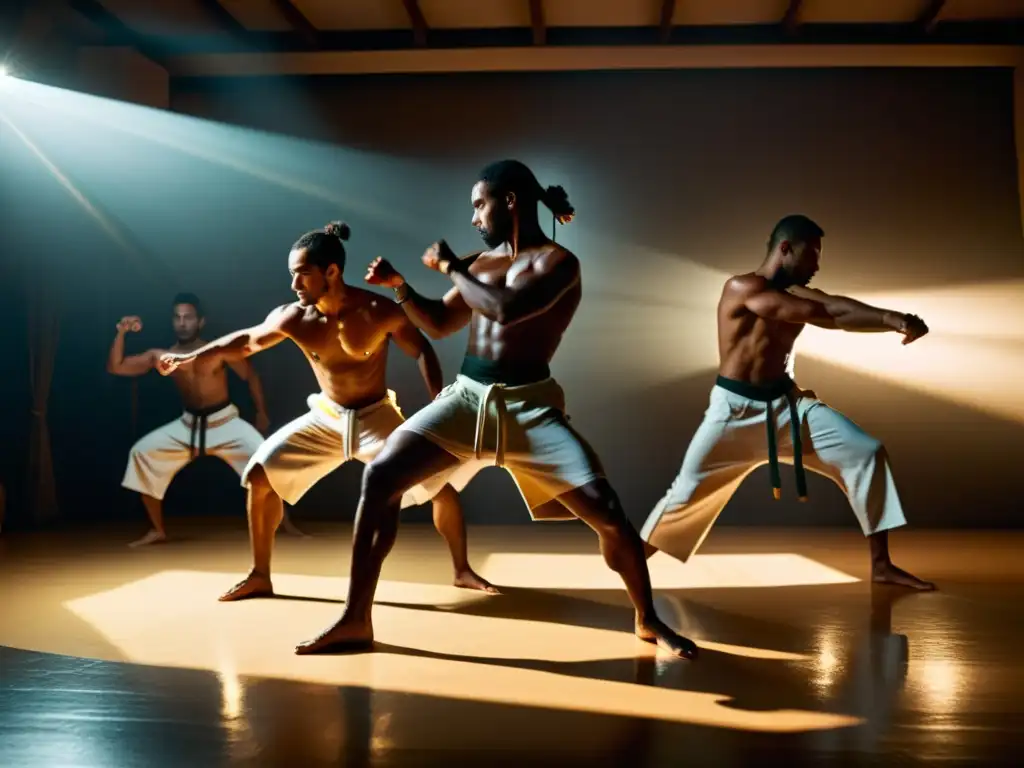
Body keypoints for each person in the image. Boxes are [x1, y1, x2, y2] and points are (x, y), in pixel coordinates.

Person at [294, 160, 698, 658]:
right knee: (380, 478)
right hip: (467, 399)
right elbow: (441, 322)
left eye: (479, 206)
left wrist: (451, 268)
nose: (473, 219)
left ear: (509, 202)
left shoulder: (558, 263)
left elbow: (507, 309)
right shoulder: (480, 264)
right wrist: (402, 288)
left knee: (610, 515)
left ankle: (648, 619)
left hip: (530, 407)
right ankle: (356, 620)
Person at [157, 222, 495, 600]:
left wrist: (437, 399)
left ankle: (462, 570)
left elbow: (421, 349)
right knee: (258, 476)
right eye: (292, 276)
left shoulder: (375, 310)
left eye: (302, 274)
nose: (294, 285)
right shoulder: (294, 318)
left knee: (440, 486)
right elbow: (246, 342)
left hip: (375, 416)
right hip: (327, 418)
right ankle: (259, 575)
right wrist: (191, 356)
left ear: (330, 272)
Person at [639, 214, 934, 591]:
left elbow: (834, 305)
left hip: (787, 408)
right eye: (811, 254)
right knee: (682, 498)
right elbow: (829, 314)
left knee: (866, 453)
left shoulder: (799, 293)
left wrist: (896, 320)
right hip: (734, 413)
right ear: (785, 249)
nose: (816, 265)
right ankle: (626, 562)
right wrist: (893, 319)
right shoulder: (741, 287)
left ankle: (881, 566)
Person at [108, 292, 304, 546]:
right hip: (188, 424)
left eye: (188, 317)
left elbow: (251, 376)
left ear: (200, 322)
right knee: (142, 453)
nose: (182, 322)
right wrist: (121, 332)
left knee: (265, 462)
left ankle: (285, 523)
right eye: (177, 317)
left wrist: (261, 411)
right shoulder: (162, 356)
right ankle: (158, 530)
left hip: (225, 422)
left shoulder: (218, 350)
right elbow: (117, 367)